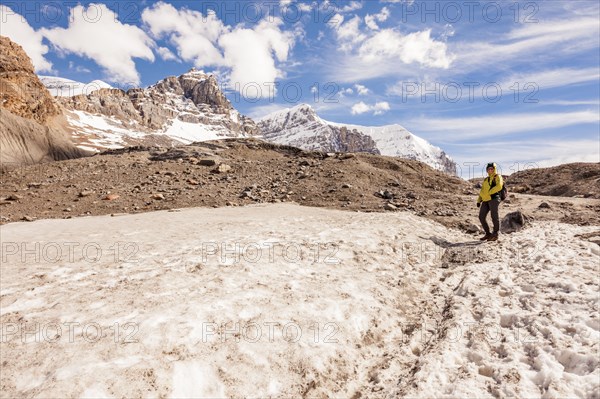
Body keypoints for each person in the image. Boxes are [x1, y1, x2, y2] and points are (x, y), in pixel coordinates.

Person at [477, 162, 503, 241]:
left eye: (492, 169)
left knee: (494, 216)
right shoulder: (486, 179)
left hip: (494, 198)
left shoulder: (498, 176)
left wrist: (490, 192)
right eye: (488, 169)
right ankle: (488, 234)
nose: (490, 170)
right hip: (485, 200)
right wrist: (479, 200)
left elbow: (499, 186)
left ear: (494, 169)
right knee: (481, 217)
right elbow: (482, 191)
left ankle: (495, 234)